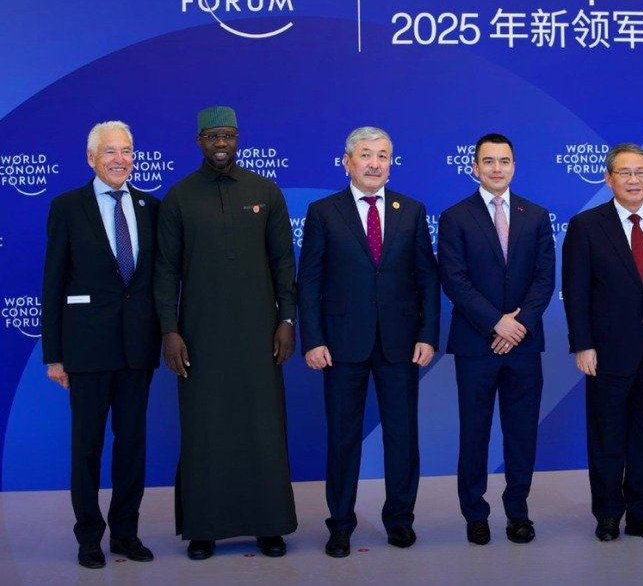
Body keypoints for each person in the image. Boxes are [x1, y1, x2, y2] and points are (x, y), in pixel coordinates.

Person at [154, 106, 298, 560]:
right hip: (199, 336)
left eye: (229, 136)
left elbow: (282, 264)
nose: (222, 144)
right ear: (199, 140)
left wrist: (287, 320)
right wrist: (170, 331)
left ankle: (268, 525)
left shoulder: (265, 191)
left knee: (263, 426)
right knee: (205, 430)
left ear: (238, 139)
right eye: (213, 136)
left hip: (259, 334)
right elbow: (164, 272)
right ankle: (204, 528)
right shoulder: (179, 197)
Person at [297, 126, 439, 557]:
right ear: (347, 162)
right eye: (366, 155)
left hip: (400, 343)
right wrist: (313, 339)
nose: (375, 163)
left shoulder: (411, 210)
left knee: (402, 436)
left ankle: (400, 520)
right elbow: (310, 282)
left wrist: (427, 334)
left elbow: (427, 278)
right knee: (343, 438)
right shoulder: (323, 211)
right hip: (341, 345)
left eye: (383, 156)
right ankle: (340, 524)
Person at [562, 143, 643, 543]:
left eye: (640, 172)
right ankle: (607, 514)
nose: (633, 179)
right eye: (624, 172)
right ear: (609, 179)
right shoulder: (587, 225)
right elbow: (576, 290)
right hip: (605, 353)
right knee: (606, 436)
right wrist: (582, 345)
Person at [42, 121, 159, 568]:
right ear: (91, 158)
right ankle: (89, 536)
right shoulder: (67, 207)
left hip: (137, 349)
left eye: (127, 151)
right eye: (109, 151)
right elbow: (52, 284)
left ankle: (125, 533)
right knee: (87, 447)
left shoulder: (152, 206)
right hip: (86, 351)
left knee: (132, 445)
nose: (119, 159)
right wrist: (54, 354)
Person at [438, 133, 555, 545]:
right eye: (488, 161)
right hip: (475, 345)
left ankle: (518, 512)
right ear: (474, 167)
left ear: (514, 166)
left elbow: (545, 278)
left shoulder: (536, 215)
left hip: (524, 343)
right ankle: (476, 513)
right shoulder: (455, 217)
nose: (497, 168)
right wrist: (495, 324)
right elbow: (454, 279)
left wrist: (517, 325)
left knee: (521, 432)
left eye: (504, 161)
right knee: (475, 432)